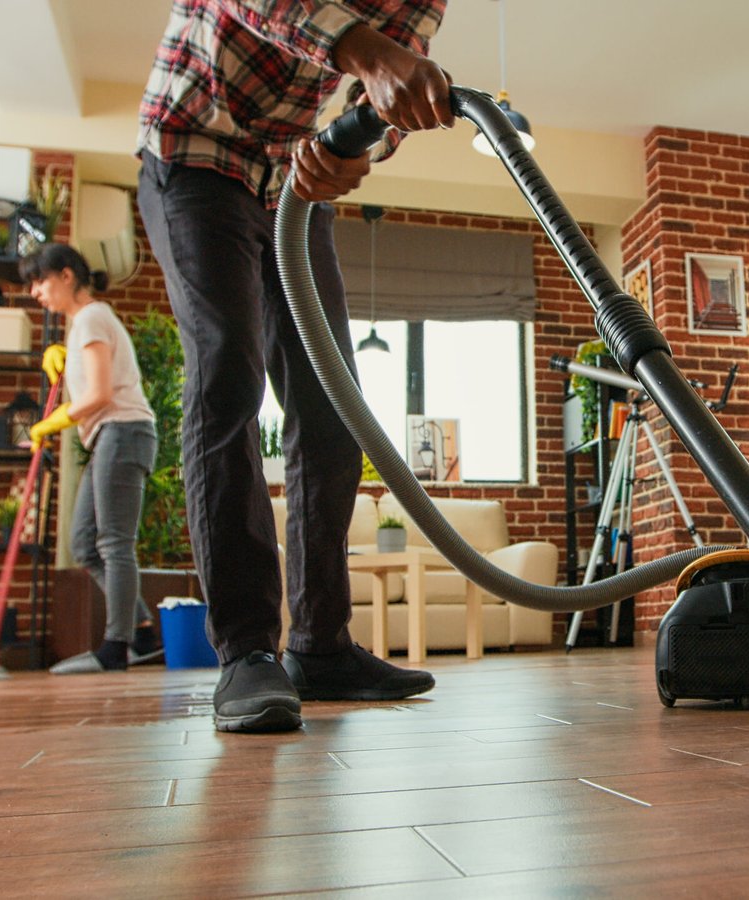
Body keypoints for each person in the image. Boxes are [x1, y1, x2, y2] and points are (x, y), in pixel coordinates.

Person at [135, 0, 455, 732]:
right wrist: (371, 58)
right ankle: (248, 653)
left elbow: (387, 88)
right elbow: (370, 54)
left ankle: (320, 646)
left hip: (292, 184)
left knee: (333, 404)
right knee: (228, 380)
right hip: (195, 150)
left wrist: (360, 143)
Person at [21, 243, 161, 674]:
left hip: (122, 430)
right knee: (84, 543)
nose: (35, 292)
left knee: (114, 543)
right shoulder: (84, 324)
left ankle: (115, 648)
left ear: (66, 276)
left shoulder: (93, 317)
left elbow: (100, 394)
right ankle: (141, 631)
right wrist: (64, 361)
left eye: (40, 281)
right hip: (108, 436)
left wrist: (52, 422)